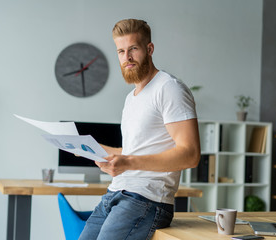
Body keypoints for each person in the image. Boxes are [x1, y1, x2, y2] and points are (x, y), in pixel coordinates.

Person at [79, 19, 201, 240]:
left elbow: (190, 154)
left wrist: (129, 162)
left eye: (133, 49)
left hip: (147, 199)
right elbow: (134, 150)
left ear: (149, 49)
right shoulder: (131, 98)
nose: (127, 58)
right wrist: (85, 147)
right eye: (121, 51)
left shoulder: (169, 88)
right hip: (115, 194)